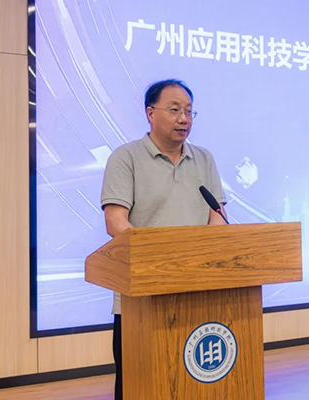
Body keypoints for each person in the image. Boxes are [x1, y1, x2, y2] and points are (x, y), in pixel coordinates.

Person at [100, 79, 227, 400]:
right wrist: (161, 257)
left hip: (198, 292)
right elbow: (115, 222)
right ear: (150, 113)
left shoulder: (204, 159)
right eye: (174, 110)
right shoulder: (125, 157)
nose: (183, 119)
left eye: (188, 111)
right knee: (139, 383)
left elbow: (217, 215)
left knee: (195, 382)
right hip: (142, 297)